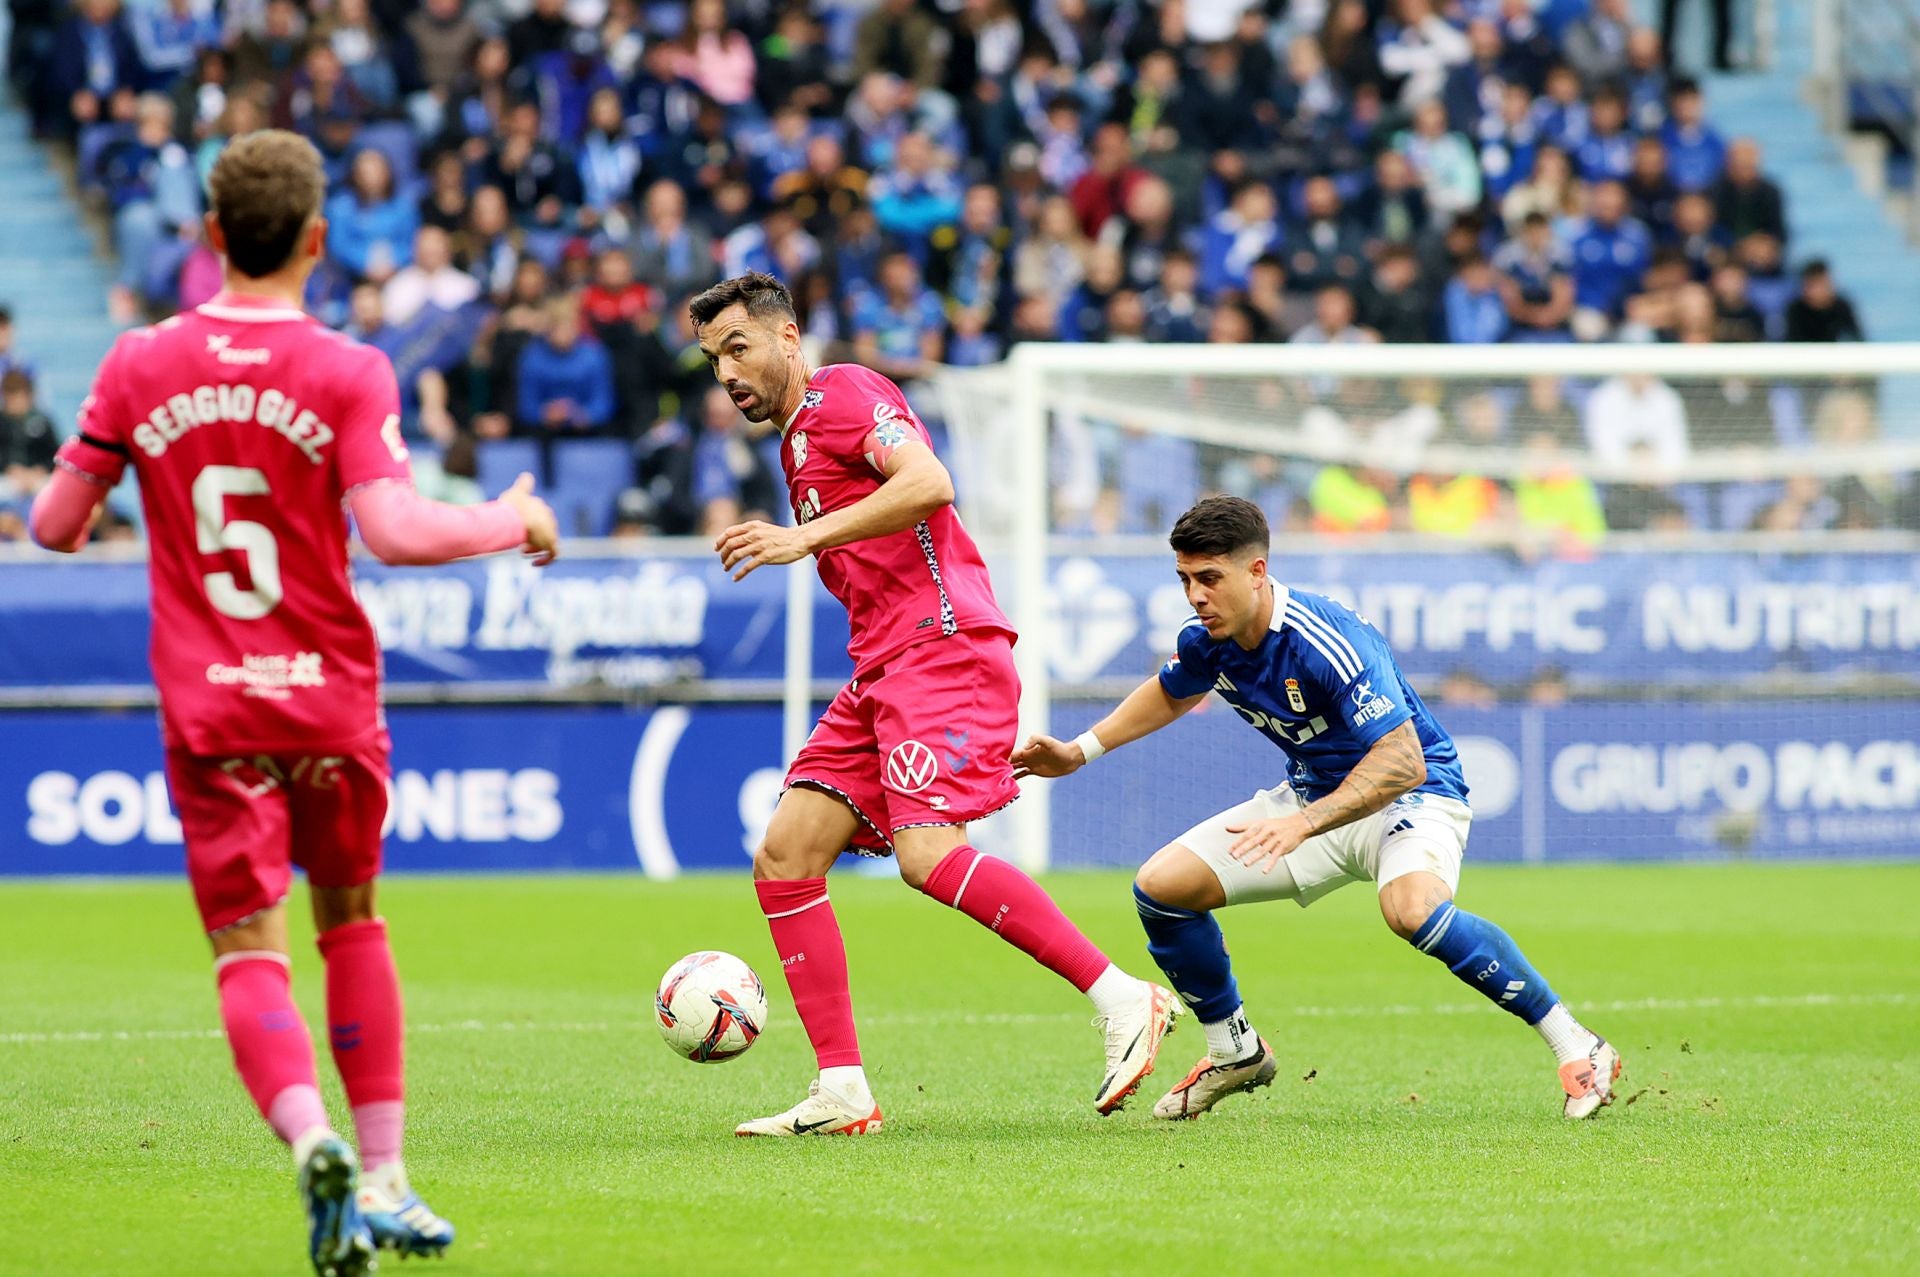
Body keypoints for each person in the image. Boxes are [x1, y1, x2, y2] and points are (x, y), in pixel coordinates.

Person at [27, 130, 559, 1276]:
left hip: (211, 707)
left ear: (211, 236)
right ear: (318, 239)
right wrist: (516, 514)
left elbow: (54, 528)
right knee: (351, 918)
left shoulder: (137, 363)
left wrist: (121, 469)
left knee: (246, 947)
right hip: (326, 698)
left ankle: (308, 1134)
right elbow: (405, 533)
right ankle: (385, 1177)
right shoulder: (348, 369)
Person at [688, 272, 1176, 1137]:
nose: (726, 372)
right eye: (711, 358)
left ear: (789, 338)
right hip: (883, 664)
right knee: (787, 853)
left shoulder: (845, 393)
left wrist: (801, 537)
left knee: (926, 854)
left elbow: (929, 481)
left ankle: (1122, 996)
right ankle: (841, 1085)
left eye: (737, 348)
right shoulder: (794, 442)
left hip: (941, 643)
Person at [1011, 497, 1622, 1121]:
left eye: (1209, 578)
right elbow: (1171, 692)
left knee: (1410, 910)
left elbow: (1403, 760)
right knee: (1163, 888)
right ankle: (1235, 1051)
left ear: (1257, 571)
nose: (1195, 595)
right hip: (1310, 802)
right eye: (1186, 580)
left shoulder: (1326, 640)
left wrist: (1300, 824)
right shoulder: (1208, 641)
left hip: (1408, 796)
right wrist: (1079, 751)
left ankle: (1579, 1046)